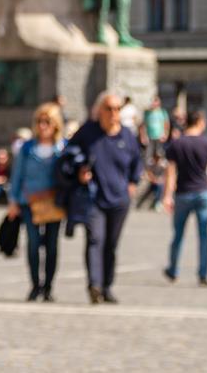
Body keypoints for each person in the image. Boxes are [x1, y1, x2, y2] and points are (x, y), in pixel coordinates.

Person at [66, 90, 142, 304]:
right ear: (99, 110)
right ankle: (94, 285)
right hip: (94, 198)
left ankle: (107, 286)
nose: (113, 113)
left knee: (111, 244)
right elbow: (71, 153)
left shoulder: (127, 135)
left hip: (119, 199)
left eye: (117, 109)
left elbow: (137, 161)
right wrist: (80, 169)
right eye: (108, 108)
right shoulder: (87, 132)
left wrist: (133, 183)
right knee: (95, 240)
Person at [7, 103, 65, 302]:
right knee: (32, 244)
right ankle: (34, 285)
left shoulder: (62, 148)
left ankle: (48, 286)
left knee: (52, 245)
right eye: (39, 121)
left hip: (54, 202)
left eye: (47, 121)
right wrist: (13, 200)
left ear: (56, 124)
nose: (42, 126)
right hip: (29, 201)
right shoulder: (27, 148)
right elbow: (17, 175)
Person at [162, 110, 207, 286]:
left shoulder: (177, 143)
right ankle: (203, 274)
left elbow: (170, 172)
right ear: (200, 122)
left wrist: (167, 196)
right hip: (203, 193)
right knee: (204, 235)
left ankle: (173, 270)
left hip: (183, 193)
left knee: (178, 235)